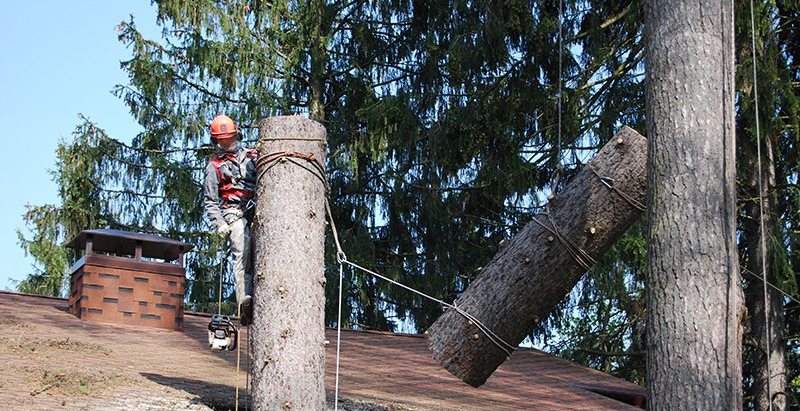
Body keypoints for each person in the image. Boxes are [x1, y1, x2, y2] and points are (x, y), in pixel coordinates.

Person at [203, 114, 257, 326]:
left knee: (260, 256)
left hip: (257, 211)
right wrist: (220, 224)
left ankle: (253, 298)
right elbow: (210, 200)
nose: (226, 142)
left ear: (236, 134)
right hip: (234, 213)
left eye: (229, 138)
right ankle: (244, 301)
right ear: (217, 141)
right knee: (242, 253)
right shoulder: (215, 166)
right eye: (222, 139)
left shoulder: (253, 155)